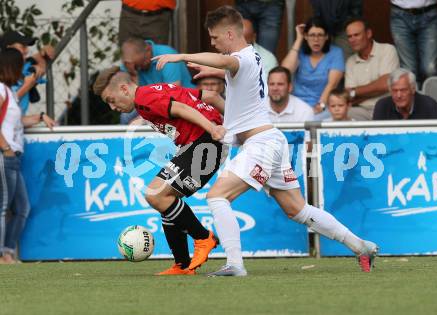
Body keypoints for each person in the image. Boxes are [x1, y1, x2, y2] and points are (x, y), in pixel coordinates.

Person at [154, 5, 378, 276]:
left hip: (261, 144)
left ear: (228, 33)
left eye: (214, 38)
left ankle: (235, 264)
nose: (213, 43)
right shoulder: (250, 58)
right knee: (297, 209)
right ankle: (360, 245)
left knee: (217, 196)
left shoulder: (242, 58)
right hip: (269, 140)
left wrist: (182, 56)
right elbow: (236, 97)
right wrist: (214, 88)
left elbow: (226, 62)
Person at [93, 66, 228, 275]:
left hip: (205, 143)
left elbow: (183, 110)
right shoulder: (155, 90)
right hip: (202, 143)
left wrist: (213, 129)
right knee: (164, 197)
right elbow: (210, 95)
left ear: (124, 89)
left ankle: (203, 237)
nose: (113, 107)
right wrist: (232, 123)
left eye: (111, 99)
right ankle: (183, 265)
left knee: (155, 194)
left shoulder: (144, 98)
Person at [0, 48, 56, 264]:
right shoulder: (2, 91)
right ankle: (4, 255)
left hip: (12, 157)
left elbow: (17, 121)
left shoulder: (9, 92)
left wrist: (41, 116)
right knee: (4, 205)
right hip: (6, 155)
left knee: (22, 207)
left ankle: (7, 251)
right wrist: (5, 147)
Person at [119, 37, 194, 124]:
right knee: (125, 116)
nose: (141, 68)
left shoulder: (166, 54)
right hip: (151, 102)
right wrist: (132, 74)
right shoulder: (131, 63)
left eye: (142, 62)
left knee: (141, 121)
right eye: (137, 67)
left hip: (181, 100)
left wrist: (144, 117)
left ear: (148, 49)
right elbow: (129, 95)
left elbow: (173, 93)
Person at [281, 17, 345, 121]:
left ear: (326, 37)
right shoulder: (300, 52)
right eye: (312, 35)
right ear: (306, 36)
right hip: (297, 105)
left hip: (323, 106)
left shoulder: (335, 53)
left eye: (320, 35)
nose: (316, 39)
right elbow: (284, 72)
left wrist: (321, 105)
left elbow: (332, 84)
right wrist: (299, 39)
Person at [345, 17, 400, 120]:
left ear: (368, 34)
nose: (352, 40)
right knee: (344, 114)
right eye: (349, 36)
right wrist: (377, 89)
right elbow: (350, 98)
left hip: (387, 108)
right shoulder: (350, 62)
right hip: (361, 111)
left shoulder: (387, 50)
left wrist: (355, 91)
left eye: (356, 35)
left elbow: (385, 84)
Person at [0, 30, 55, 114]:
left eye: (27, 46)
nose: (27, 51)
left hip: (18, 124)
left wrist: (45, 51)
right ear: (9, 49)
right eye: (23, 46)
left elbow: (40, 58)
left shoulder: (24, 66)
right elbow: (3, 107)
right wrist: (26, 87)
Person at [390, 0, 437, 85]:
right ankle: (416, 98)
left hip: (429, 14)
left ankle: (431, 97)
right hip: (399, 14)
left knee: (430, 70)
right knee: (408, 71)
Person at [373, 68, 437, 120]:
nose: (399, 95)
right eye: (395, 90)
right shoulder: (382, 106)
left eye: (403, 90)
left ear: (413, 89)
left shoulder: (429, 106)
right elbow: (376, 136)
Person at [243, 18, 278, 83]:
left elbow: (268, 88)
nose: (240, 48)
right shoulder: (225, 54)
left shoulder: (268, 59)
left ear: (254, 37)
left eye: (245, 43)